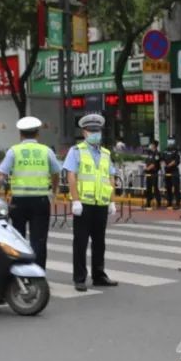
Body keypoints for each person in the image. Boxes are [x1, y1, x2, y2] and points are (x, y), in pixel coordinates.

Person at [0, 116, 60, 269]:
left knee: (18, 239)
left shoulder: (14, 151)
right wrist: (53, 191)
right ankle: (39, 272)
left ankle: (19, 272)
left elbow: (0, 176)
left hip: (19, 201)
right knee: (39, 240)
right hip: (40, 201)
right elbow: (56, 173)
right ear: (38, 134)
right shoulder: (46, 151)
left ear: (20, 134)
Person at [66, 113, 118, 290]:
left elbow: (110, 178)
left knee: (99, 242)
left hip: (101, 204)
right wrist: (75, 201)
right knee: (80, 242)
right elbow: (71, 176)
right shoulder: (76, 151)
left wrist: (112, 201)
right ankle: (79, 278)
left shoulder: (105, 153)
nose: (95, 134)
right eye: (91, 131)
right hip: (84, 204)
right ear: (84, 132)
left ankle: (99, 275)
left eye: (97, 131)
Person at [162, 137, 181, 208]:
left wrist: (169, 165)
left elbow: (176, 160)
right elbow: (162, 158)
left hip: (174, 171)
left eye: (171, 140)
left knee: (176, 187)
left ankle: (177, 203)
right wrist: (165, 164)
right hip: (167, 171)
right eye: (169, 140)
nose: (170, 142)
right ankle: (169, 202)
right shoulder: (165, 150)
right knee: (168, 187)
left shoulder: (176, 151)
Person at [143, 139, 162, 210]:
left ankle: (158, 202)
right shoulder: (150, 153)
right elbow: (146, 162)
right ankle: (148, 202)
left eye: (152, 144)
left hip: (154, 173)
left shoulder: (157, 154)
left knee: (155, 188)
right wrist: (146, 168)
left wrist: (147, 168)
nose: (150, 145)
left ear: (154, 145)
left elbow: (154, 164)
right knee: (149, 188)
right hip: (148, 173)